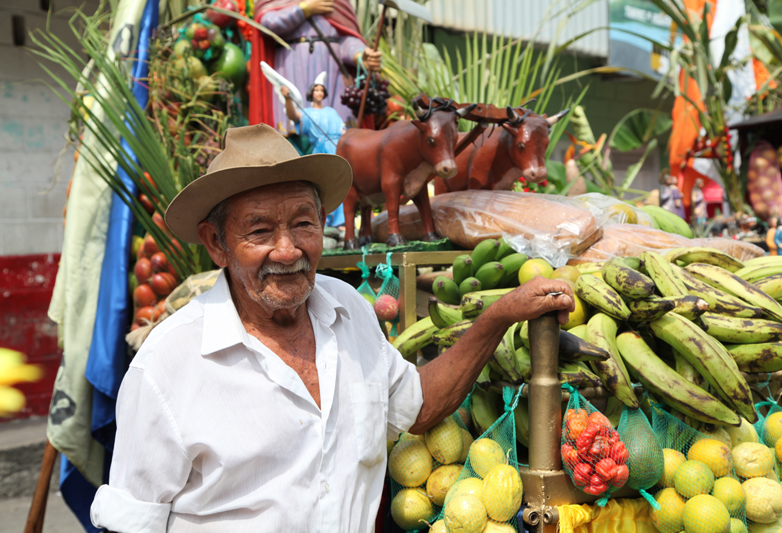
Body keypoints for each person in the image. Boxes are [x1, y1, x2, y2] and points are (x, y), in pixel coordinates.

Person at [89, 124, 574, 532]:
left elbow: (417, 406)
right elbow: (130, 522)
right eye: (259, 231)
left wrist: (497, 316)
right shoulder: (168, 365)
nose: (287, 250)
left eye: (303, 223)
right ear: (217, 243)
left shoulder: (348, 310)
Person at [253, 0, 381, 134]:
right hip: (291, 66)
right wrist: (304, 9)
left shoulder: (337, 2)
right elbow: (266, 22)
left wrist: (359, 55)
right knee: (295, 133)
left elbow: (345, 38)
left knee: (334, 132)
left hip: (332, 72)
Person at [282, 76, 346, 227]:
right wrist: (288, 99)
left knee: (340, 183)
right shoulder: (307, 112)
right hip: (321, 151)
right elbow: (292, 115)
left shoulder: (331, 112)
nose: (319, 92)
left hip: (336, 148)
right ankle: (326, 221)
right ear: (312, 93)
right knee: (325, 186)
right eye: (316, 90)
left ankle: (341, 222)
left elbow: (342, 129)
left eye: (321, 90)